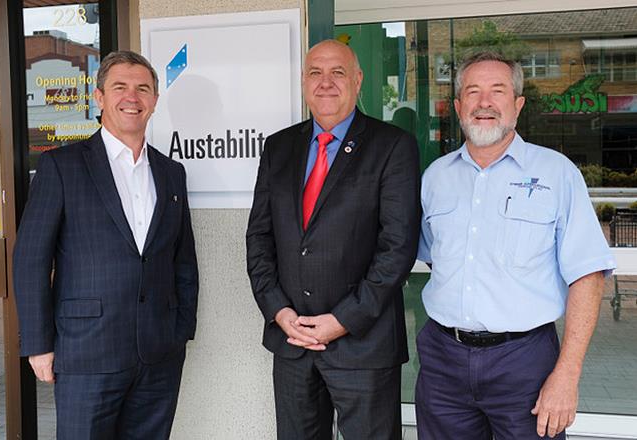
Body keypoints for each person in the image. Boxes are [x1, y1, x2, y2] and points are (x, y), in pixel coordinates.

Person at [415, 51, 616, 440]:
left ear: (518, 104)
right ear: (458, 107)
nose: (484, 102)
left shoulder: (557, 173)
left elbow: (588, 274)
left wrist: (567, 374)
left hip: (524, 362)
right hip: (443, 359)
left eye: (498, 91)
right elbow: (427, 255)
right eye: (472, 92)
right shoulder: (435, 177)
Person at [13, 50, 198, 439]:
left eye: (142, 89)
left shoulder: (171, 173)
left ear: (154, 101)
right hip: (86, 354)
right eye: (120, 87)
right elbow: (31, 259)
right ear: (99, 98)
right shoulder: (62, 166)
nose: (132, 97)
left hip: (158, 355)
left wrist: (180, 331)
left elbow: (183, 261)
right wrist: (38, 344)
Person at [246, 39, 421, 440]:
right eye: (315, 73)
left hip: (364, 344)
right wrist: (279, 313)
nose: (326, 83)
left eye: (337, 72)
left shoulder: (392, 146)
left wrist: (342, 320)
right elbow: (259, 238)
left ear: (357, 81)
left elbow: (397, 248)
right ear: (304, 83)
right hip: (292, 342)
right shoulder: (278, 147)